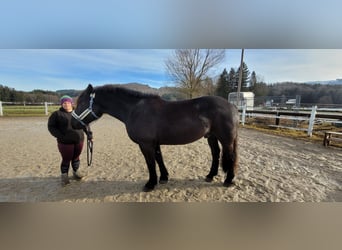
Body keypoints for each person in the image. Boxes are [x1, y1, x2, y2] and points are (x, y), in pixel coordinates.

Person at [48, 95, 92, 186]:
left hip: (79, 139)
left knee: (76, 157)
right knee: (66, 159)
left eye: (68, 102)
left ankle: (76, 172)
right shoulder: (56, 114)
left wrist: (89, 135)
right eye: (64, 103)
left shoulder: (78, 113)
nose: (66, 104)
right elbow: (51, 127)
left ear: (71, 103)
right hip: (64, 141)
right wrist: (60, 136)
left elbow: (85, 124)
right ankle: (64, 175)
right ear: (61, 104)